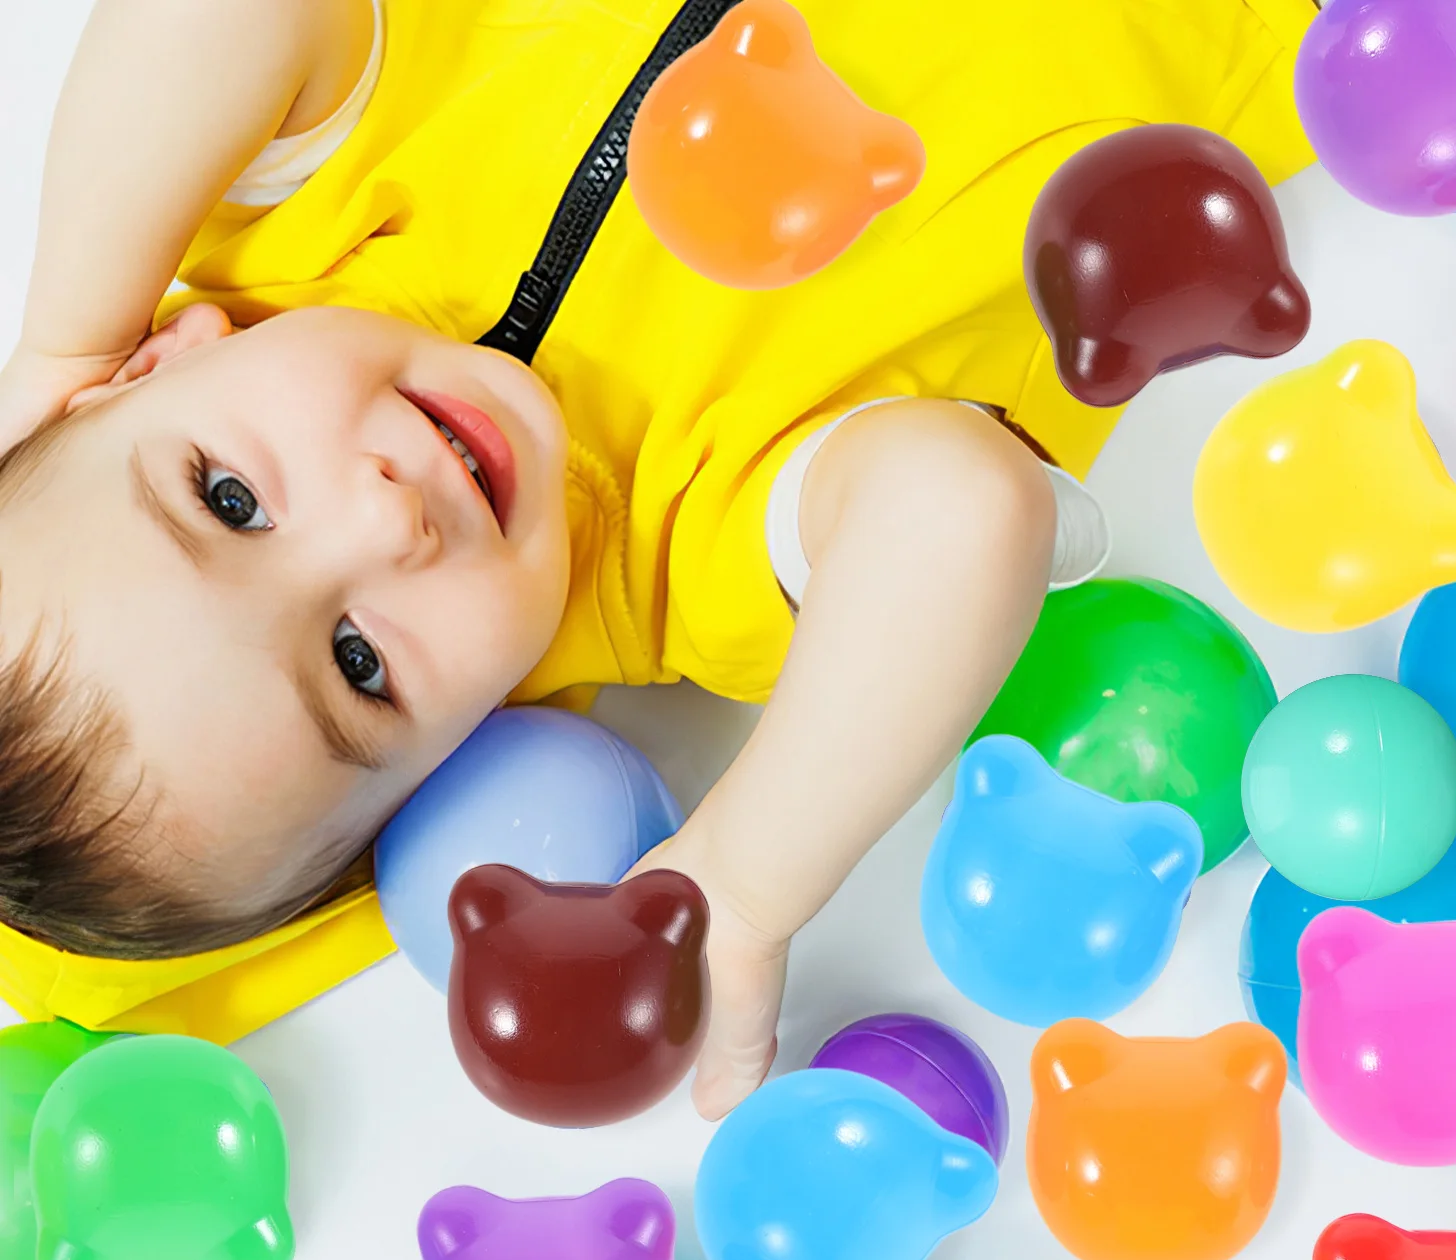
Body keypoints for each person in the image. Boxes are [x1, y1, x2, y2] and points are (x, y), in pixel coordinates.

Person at [0, 0, 1313, 1115]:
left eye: (227, 498)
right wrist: (744, 883)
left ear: (153, 367)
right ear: (459, 767)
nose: (383, 518)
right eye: (358, 666)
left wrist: (66, 333)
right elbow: (970, 513)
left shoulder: (312, 207)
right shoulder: (696, 560)